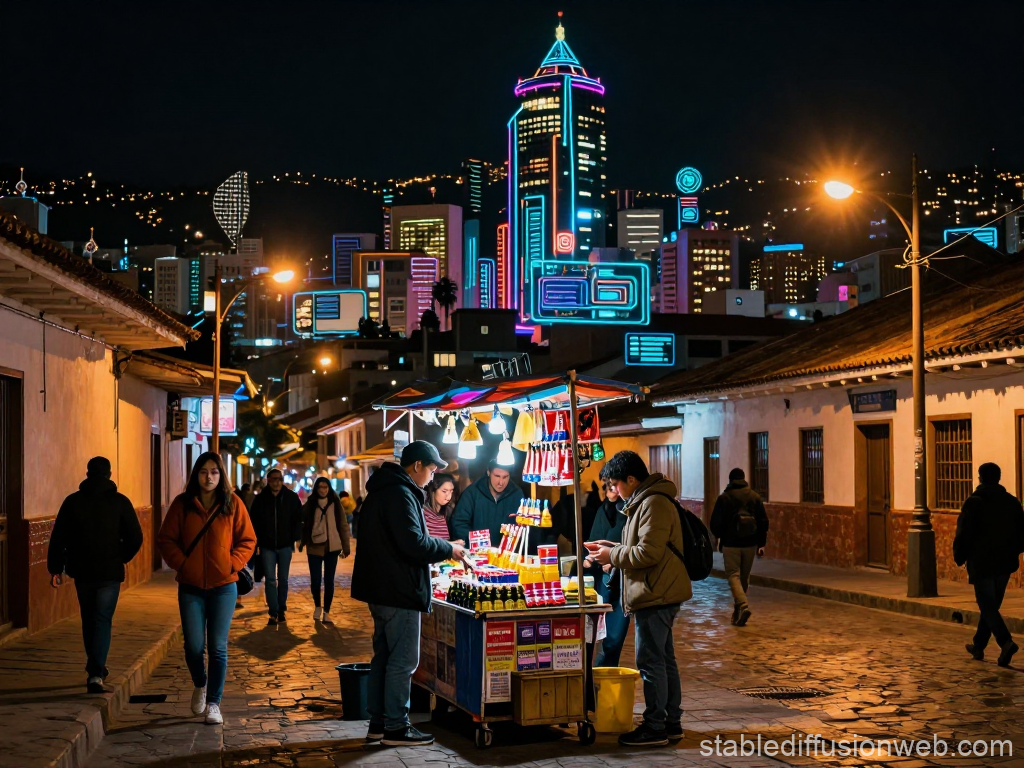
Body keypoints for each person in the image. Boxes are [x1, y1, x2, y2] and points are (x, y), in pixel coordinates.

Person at [351, 441, 471, 747]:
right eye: (431, 469)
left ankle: (378, 723)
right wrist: (450, 549)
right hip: (397, 589)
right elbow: (414, 544)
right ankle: (396, 727)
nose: (432, 477)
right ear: (417, 466)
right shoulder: (400, 493)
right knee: (403, 661)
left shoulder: (384, 489)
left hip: (381, 588)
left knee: (385, 657)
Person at [586, 450, 691, 747]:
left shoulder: (654, 503)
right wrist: (611, 546)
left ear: (631, 479)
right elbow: (641, 545)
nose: (615, 490)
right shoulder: (643, 502)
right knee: (663, 658)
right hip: (655, 590)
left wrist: (611, 555)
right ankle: (671, 722)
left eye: (617, 483)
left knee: (651, 661)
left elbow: (649, 553)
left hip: (656, 592)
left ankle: (655, 726)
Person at [158, 452, 256, 725]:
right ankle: (200, 683)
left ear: (221, 475)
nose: (209, 477)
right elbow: (166, 540)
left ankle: (214, 702)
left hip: (224, 587)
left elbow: (248, 540)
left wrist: (232, 564)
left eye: (214, 471)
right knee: (193, 646)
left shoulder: (232, 503)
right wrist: (183, 565)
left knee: (217, 647)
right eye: (203, 471)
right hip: (190, 587)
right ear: (196, 475)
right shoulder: (183, 504)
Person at [47, 456, 144, 693]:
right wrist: (121, 556)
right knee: (102, 619)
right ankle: (96, 672)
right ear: (109, 474)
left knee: (89, 618)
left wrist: (55, 568)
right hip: (109, 571)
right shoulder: (120, 502)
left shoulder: (72, 502)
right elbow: (136, 537)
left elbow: (59, 536)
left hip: (82, 571)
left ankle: (96, 666)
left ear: (88, 474)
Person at [954, 462, 1024, 667]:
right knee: (991, 606)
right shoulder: (1012, 502)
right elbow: (1022, 532)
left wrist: (960, 556)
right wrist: (1014, 551)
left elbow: (964, 533)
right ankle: (978, 646)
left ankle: (1006, 642)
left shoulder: (974, 502)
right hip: (1004, 563)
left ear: (980, 478)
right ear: (999, 478)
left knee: (987, 605)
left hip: (982, 562)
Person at [709, 468, 770, 627]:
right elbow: (763, 522)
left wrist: (721, 535)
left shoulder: (724, 498)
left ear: (730, 480)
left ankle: (742, 605)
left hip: (731, 544)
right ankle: (738, 611)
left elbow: (715, 523)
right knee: (744, 577)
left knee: (733, 575)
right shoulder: (754, 497)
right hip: (750, 544)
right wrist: (761, 543)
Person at [250, 469, 302, 625]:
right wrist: (257, 541)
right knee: (271, 580)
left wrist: (296, 538)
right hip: (267, 546)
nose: (277, 482)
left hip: (285, 545)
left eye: (279, 479)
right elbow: (254, 522)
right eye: (274, 479)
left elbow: (298, 519)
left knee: (284, 580)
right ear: (268, 480)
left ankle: (281, 609)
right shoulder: (260, 500)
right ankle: (273, 612)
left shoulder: (291, 498)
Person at [586, 481, 630, 667]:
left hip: (623, 580)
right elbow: (594, 538)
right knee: (597, 634)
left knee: (614, 637)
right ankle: (597, 678)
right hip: (603, 581)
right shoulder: (602, 511)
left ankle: (603, 674)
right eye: (608, 486)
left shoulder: (629, 512)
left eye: (615, 485)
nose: (611, 489)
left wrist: (613, 558)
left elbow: (632, 546)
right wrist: (590, 557)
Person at [299, 477, 351, 623]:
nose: (323, 490)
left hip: (332, 547)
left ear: (329, 488)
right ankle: (317, 606)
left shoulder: (335, 503)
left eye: (325, 487)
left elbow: (343, 525)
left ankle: (327, 611)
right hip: (314, 547)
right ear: (316, 488)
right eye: (320, 487)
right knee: (315, 580)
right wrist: (302, 541)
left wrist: (346, 547)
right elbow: (303, 522)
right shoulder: (310, 504)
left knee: (329, 580)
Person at [449, 460, 521, 547]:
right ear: (488, 472)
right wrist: (477, 544)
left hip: (507, 554)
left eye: (505, 477)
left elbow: (523, 527)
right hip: (476, 554)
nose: (501, 483)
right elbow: (459, 523)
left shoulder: (517, 494)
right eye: (497, 476)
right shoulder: (472, 492)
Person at [422, 473, 459, 541]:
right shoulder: (422, 512)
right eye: (444, 491)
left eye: (451, 492)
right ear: (433, 490)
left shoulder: (448, 512)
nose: (448, 496)